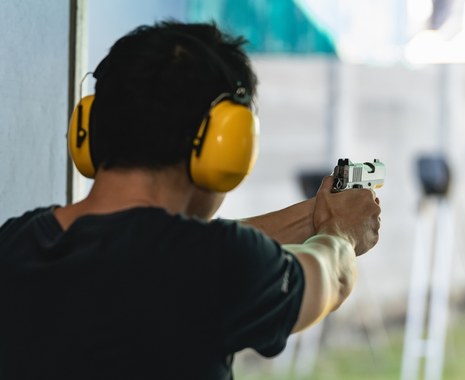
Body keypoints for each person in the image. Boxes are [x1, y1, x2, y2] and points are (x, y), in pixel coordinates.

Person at [0, 21, 381, 379]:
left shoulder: (15, 241)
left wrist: (315, 217)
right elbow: (331, 276)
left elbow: (158, 249)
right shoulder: (216, 264)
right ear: (226, 146)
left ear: (89, 128)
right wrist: (342, 232)